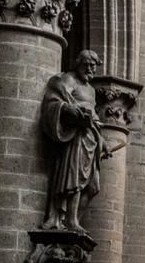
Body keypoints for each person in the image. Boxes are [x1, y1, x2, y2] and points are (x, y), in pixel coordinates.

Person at [39, 48, 104, 231]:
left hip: (91, 139)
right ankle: (69, 220)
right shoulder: (69, 80)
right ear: (79, 63)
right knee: (74, 180)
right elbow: (55, 101)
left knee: (93, 187)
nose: (91, 70)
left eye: (94, 67)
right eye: (88, 65)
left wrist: (103, 141)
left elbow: (94, 116)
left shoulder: (91, 90)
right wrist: (70, 110)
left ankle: (73, 219)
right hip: (75, 137)